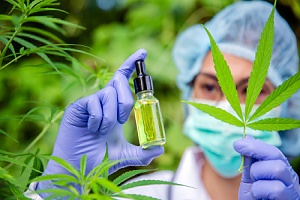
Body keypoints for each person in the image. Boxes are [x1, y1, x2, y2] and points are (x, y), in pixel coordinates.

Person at [25, 1, 300, 199]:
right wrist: (59, 188)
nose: (227, 106)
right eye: (210, 86)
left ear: (288, 104)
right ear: (188, 93)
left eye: (254, 91)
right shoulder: (141, 195)